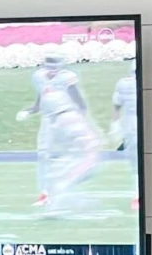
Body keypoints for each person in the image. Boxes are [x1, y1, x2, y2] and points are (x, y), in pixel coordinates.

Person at [16, 57, 102, 213]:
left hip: (67, 118)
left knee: (72, 154)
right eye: (49, 66)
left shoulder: (66, 77)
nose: (52, 70)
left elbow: (79, 100)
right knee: (44, 155)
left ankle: (66, 189)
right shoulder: (39, 76)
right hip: (49, 119)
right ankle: (45, 193)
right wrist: (29, 111)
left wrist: (83, 119)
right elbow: (41, 100)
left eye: (55, 66)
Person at [111, 70, 140, 212]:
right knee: (135, 161)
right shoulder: (124, 84)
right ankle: (137, 194)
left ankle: (138, 194)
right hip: (130, 124)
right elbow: (117, 105)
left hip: (141, 121)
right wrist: (115, 123)